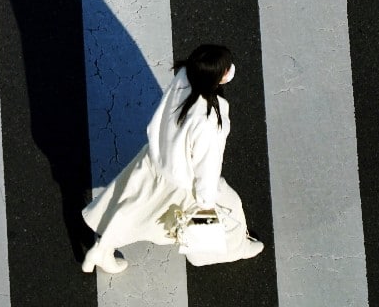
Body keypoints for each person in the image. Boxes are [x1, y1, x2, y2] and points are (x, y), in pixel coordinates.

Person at [81, 43, 264, 273]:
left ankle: (102, 250)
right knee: (231, 206)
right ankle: (234, 248)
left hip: (154, 162)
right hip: (180, 182)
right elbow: (207, 166)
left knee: (130, 210)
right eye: (226, 68)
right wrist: (205, 204)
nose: (230, 70)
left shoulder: (185, 75)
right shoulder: (208, 121)